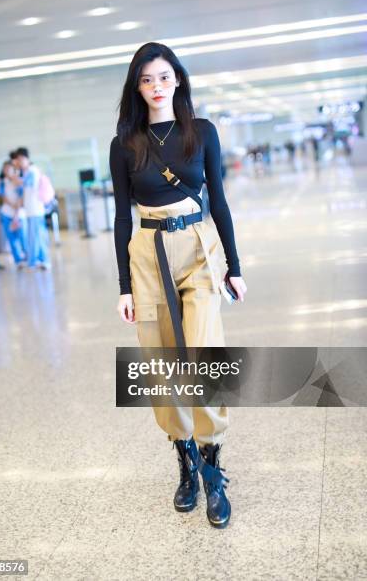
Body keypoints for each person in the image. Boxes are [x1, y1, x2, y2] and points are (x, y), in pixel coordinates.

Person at [109, 42, 247, 529]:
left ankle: (212, 470)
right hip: (147, 256)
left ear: (179, 80)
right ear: (137, 87)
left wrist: (235, 265)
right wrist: (124, 285)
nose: (156, 87)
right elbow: (122, 216)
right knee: (164, 364)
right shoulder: (125, 142)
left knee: (204, 356)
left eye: (164, 77)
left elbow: (221, 202)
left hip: (197, 247)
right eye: (147, 80)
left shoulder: (202, 132)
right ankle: (185, 460)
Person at [15, 147, 50, 270]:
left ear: (26, 158)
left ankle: (41, 260)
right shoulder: (28, 171)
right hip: (31, 211)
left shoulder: (32, 171)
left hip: (35, 210)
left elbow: (24, 183)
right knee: (35, 235)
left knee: (37, 236)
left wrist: (12, 177)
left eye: (19, 159)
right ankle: (40, 260)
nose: (18, 163)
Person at [0, 161, 27, 267]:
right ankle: (18, 260)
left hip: (19, 214)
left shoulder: (19, 181)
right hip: (6, 213)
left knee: (23, 237)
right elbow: (2, 197)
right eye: (5, 169)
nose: (7, 171)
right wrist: (12, 206)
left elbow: (21, 195)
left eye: (9, 169)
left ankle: (28, 257)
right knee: (12, 239)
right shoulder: (1, 182)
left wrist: (17, 209)